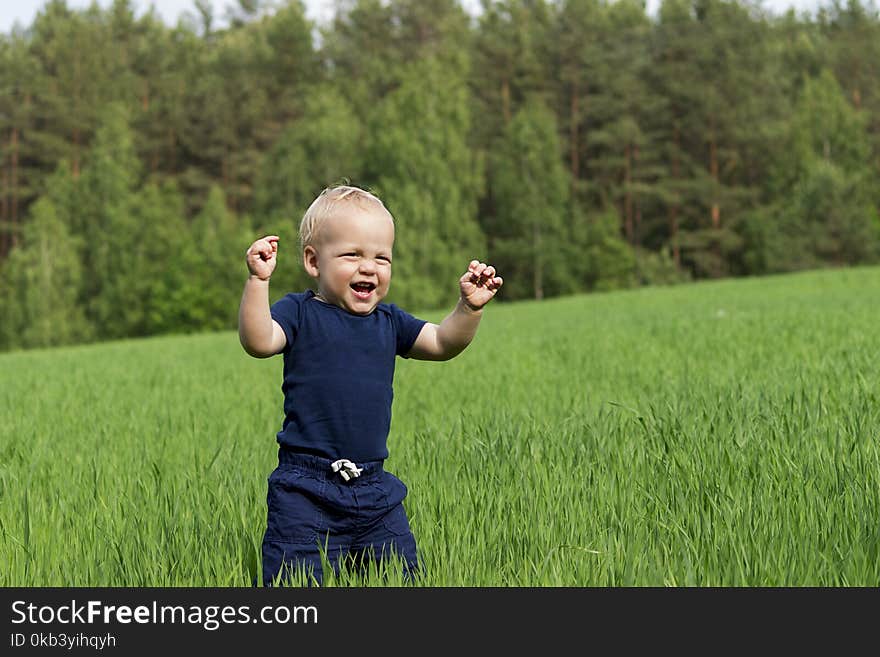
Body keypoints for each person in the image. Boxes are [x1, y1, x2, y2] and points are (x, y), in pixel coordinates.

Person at [238, 184, 503, 586]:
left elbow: (443, 342)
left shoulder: (390, 322)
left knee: (400, 578)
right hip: (305, 490)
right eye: (352, 255)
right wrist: (258, 282)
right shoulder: (299, 313)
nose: (369, 267)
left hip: (375, 490)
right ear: (313, 261)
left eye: (382, 258)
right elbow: (258, 342)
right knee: (296, 583)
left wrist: (468, 308)